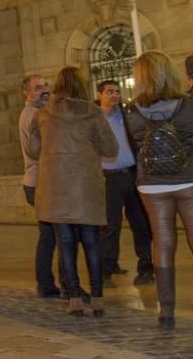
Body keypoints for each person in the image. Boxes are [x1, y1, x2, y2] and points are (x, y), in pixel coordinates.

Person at [29, 67, 118, 318]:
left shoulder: (43, 114)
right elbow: (111, 148)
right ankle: (98, 298)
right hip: (86, 186)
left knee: (65, 244)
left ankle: (75, 299)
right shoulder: (92, 112)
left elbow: (33, 149)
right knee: (91, 242)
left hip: (56, 187)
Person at [125, 51, 193, 332]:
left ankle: (166, 310)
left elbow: (135, 146)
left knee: (162, 241)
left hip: (151, 183)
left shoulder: (131, 111)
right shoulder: (188, 105)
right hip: (189, 179)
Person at [96, 79, 154, 287]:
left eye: (117, 92)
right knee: (111, 226)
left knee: (141, 224)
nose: (114, 95)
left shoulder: (127, 115)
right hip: (109, 178)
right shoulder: (94, 119)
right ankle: (106, 271)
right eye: (109, 91)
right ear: (100, 94)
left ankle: (146, 268)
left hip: (132, 175)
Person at [19, 74, 60, 298]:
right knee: (53, 235)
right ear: (27, 93)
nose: (44, 90)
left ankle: (45, 282)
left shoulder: (35, 113)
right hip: (40, 181)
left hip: (39, 180)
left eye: (45, 85)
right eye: (37, 88)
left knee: (49, 234)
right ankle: (46, 282)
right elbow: (41, 150)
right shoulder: (34, 115)